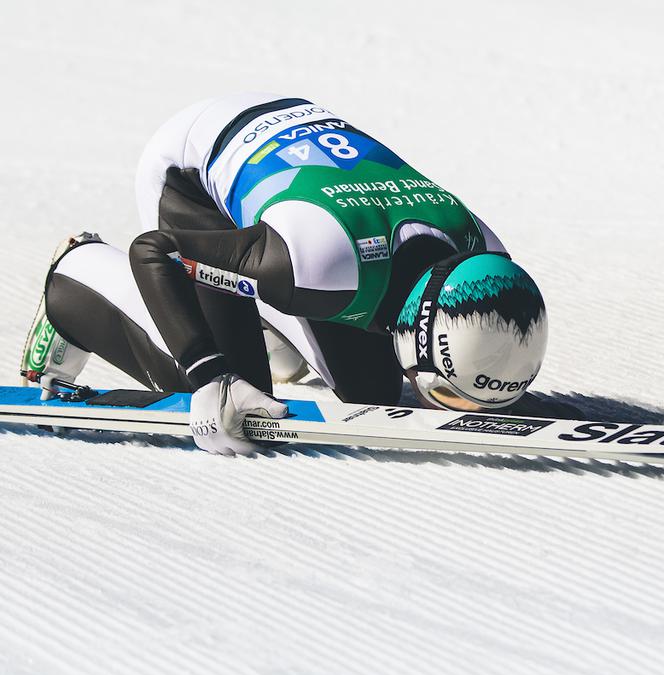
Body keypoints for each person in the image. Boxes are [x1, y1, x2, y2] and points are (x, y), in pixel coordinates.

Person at [20, 93, 550, 455]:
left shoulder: (488, 254)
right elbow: (155, 251)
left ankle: (267, 321)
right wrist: (210, 374)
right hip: (190, 176)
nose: (461, 409)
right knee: (236, 404)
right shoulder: (315, 266)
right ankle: (76, 277)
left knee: (373, 398)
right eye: (453, 394)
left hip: (296, 164)